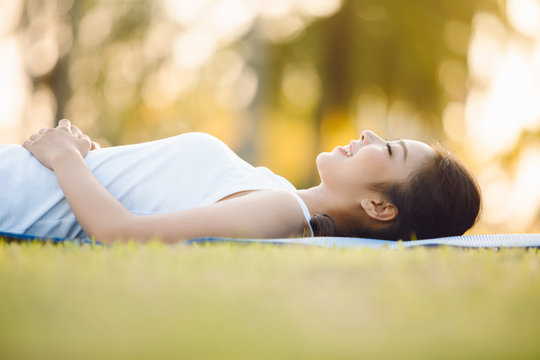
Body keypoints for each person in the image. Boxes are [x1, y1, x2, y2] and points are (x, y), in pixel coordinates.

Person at [1, 119, 480, 243]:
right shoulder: (272, 188)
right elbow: (153, 194)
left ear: (380, 207)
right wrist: (94, 156)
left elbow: (121, 234)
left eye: (389, 148)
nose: (368, 134)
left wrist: (66, 159)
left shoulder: (282, 212)